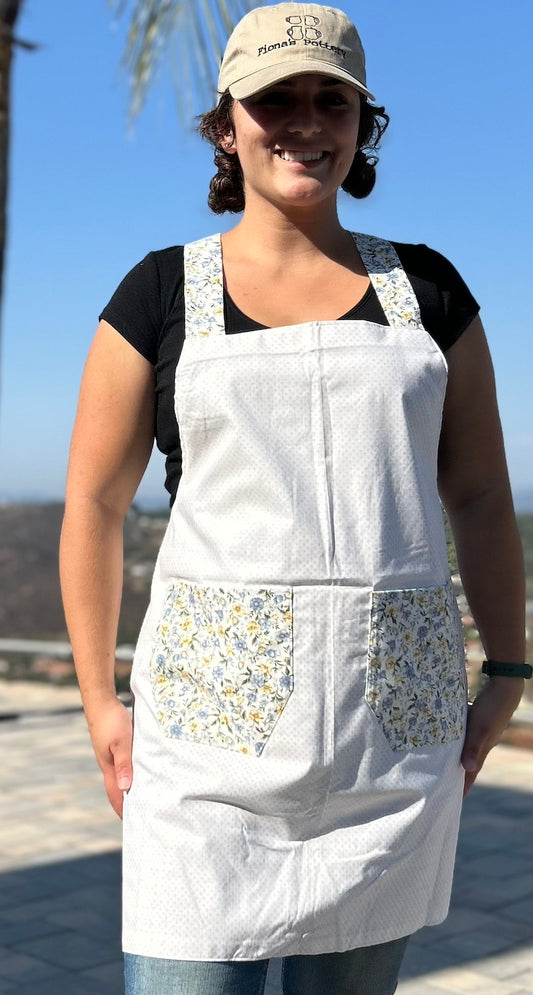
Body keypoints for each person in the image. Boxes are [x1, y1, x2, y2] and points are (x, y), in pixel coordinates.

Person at [60, 4, 529, 993]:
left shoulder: (430, 293)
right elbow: (96, 502)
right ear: (226, 123)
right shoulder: (157, 294)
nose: (303, 121)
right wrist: (101, 694)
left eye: (331, 98)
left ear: (363, 124)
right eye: (273, 98)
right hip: (204, 757)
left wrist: (508, 664)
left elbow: (481, 492)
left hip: (384, 742)